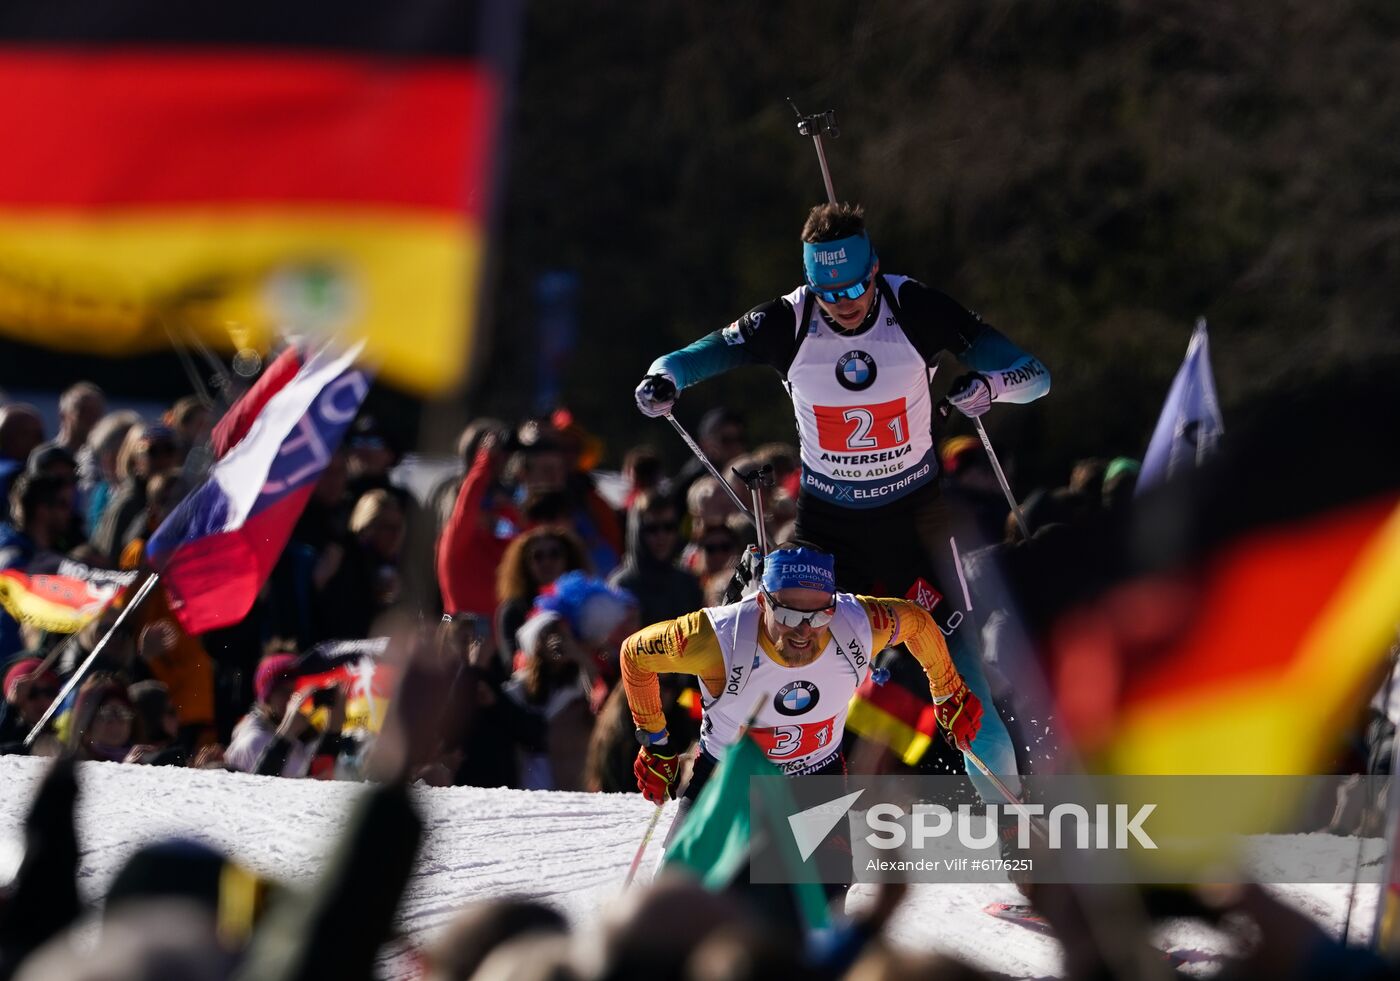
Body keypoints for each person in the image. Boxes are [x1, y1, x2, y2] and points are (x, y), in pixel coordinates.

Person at [634, 202, 1048, 799]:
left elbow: (1033, 374)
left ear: (875, 268)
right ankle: (728, 807)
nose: (844, 301)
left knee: (966, 699)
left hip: (915, 533)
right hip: (826, 535)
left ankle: (1020, 852)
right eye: (829, 290)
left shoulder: (915, 307)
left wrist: (989, 387)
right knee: (758, 651)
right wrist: (663, 377)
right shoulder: (789, 320)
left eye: (855, 285)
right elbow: (699, 355)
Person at [620, 545, 982, 802]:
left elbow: (918, 622)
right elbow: (634, 655)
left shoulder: (856, 622)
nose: (804, 630)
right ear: (762, 603)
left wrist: (948, 690)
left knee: (825, 899)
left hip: (817, 778)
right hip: (728, 783)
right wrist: (657, 744)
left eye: (820, 615)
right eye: (790, 615)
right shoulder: (715, 638)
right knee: (694, 902)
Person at [224, 653, 347, 778]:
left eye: (297, 690)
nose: (293, 698)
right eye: (284, 691)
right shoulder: (255, 740)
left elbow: (322, 775)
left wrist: (334, 724)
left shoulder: (298, 734)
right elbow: (269, 789)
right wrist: (287, 732)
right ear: (267, 698)